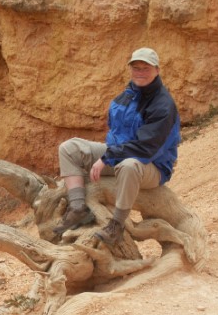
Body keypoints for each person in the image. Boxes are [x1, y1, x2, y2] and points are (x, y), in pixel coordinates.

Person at [54, 47, 181, 245]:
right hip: (119, 155)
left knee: (129, 165)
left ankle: (117, 225)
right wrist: (108, 154)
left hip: (152, 166)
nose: (140, 72)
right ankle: (78, 208)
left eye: (145, 68)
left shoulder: (162, 105)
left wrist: (106, 158)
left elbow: (145, 148)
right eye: (136, 67)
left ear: (157, 70)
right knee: (69, 148)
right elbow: (115, 132)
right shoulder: (128, 95)